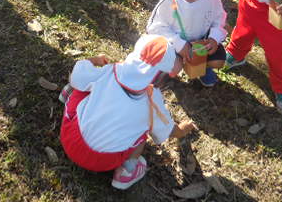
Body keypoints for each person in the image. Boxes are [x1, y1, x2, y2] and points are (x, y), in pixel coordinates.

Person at [59, 34, 196, 190]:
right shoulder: (152, 101)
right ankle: (128, 170)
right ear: (161, 78)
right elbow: (169, 131)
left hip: (70, 138)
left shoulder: (112, 71)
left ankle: (67, 94)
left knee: (85, 86)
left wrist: (94, 60)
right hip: (103, 161)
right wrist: (183, 130)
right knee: (144, 131)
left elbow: (76, 75)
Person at [147, 0, 228, 87]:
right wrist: (179, 44)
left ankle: (203, 68)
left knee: (218, 60)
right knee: (173, 66)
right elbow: (155, 28)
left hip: (201, 42)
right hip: (176, 44)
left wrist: (214, 39)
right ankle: (166, 74)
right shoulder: (169, 0)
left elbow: (219, 19)